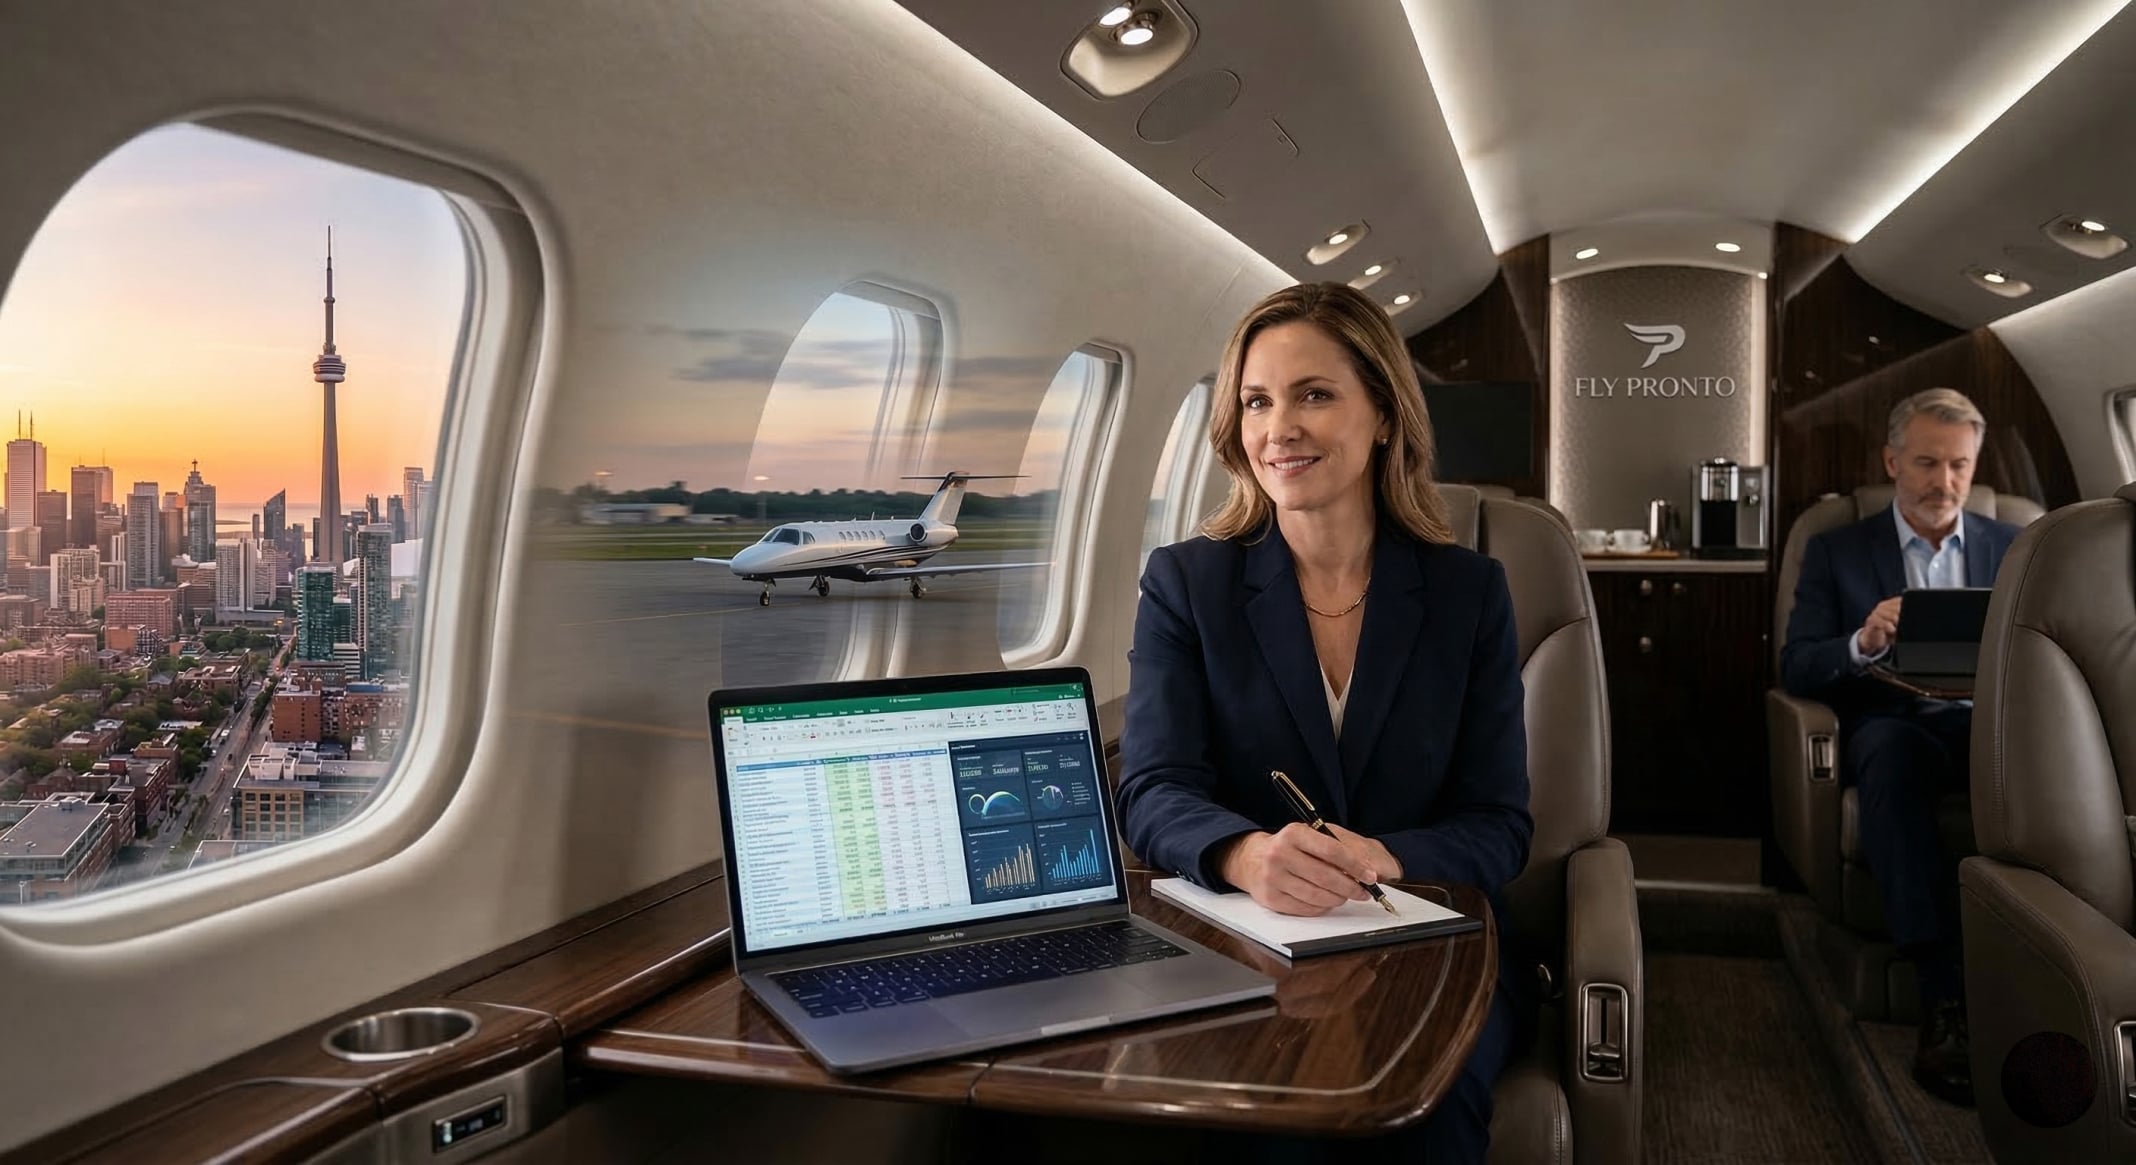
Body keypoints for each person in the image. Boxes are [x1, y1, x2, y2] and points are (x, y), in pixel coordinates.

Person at [1117, 281, 1534, 1162]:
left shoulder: (1468, 593)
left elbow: (1500, 824)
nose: (1279, 428)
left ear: (1383, 413)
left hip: (1427, 945)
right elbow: (1152, 788)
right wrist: (1244, 853)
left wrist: (1384, 856)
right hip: (1250, 946)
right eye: (1256, 401)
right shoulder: (1186, 583)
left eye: (1313, 394)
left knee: (1426, 1111)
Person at [1780, 387, 2021, 1107]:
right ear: (1892, 462)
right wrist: (1863, 640)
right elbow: (1797, 665)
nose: (1944, 482)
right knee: (1889, 753)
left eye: (1959, 465)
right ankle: (1944, 995)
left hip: (1989, 725)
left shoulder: (2016, 548)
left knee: (2046, 765)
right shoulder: (1836, 550)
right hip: (1893, 724)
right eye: (1926, 463)